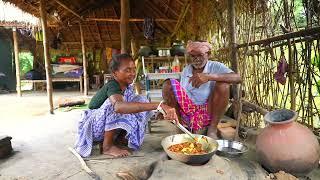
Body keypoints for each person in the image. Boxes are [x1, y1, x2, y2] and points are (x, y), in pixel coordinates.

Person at [75, 54, 177, 158]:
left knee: (140, 100)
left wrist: (158, 111)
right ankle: (107, 147)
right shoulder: (112, 85)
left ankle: (120, 139)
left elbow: (137, 107)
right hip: (92, 126)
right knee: (116, 106)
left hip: (104, 125)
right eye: (127, 70)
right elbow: (118, 107)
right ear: (115, 73)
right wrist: (158, 105)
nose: (132, 73)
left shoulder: (128, 87)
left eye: (134, 69)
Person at [162, 40, 241, 139]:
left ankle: (212, 129)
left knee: (223, 85)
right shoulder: (187, 69)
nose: (196, 59)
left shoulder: (215, 66)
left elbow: (237, 78)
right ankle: (180, 126)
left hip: (208, 109)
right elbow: (180, 96)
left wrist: (209, 76)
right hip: (187, 112)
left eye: (200, 55)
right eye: (193, 56)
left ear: (208, 54)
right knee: (168, 84)